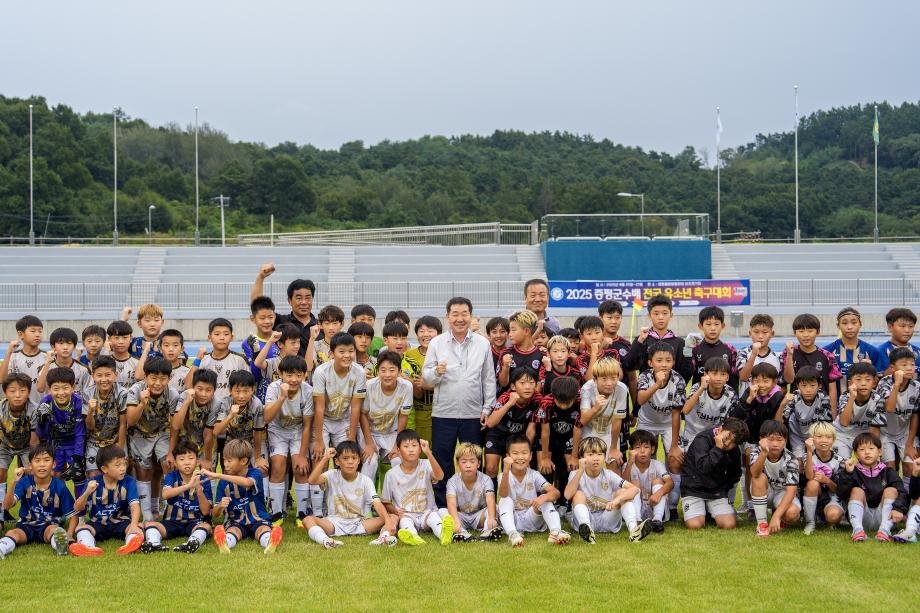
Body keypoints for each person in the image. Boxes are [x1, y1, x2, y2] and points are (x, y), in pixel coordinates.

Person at [422, 297, 496, 507]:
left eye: (464, 314)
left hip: (473, 414)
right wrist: (436, 372)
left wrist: (487, 408)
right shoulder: (437, 343)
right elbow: (426, 378)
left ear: (470, 316)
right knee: (442, 460)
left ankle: (475, 504)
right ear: (447, 317)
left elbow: (488, 379)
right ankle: (443, 506)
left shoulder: (482, 343)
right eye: (455, 314)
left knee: (472, 461)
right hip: (443, 413)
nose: (460, 318)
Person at [303, 442, 398, 548]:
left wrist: (388, 521)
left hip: (360, 523)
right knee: (307, 520)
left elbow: (377, 504)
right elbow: (312, 480)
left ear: (359, 461)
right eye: (345, 458)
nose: (350, 462)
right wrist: (325, 458)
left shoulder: (365, 480)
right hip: (334, 523)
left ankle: (383, 538)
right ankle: (326, 540)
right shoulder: (331, 475)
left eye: (354, 458)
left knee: (393, 517)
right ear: (337, 461)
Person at [565, 436, 649, 544]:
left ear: (604, 457)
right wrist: (580, 470)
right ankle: (587, 530)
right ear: (582, 457)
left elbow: (635, 489)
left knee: (622, 492)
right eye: (590, 454)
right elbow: (567, 495)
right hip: (587, 518)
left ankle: (634, 531)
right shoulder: (575, 474)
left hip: (607, 517)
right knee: (578, 494)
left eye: (600, 454)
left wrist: (617, 500)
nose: (596, 458)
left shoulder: (609, 474)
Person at [204, 439, 282, 554]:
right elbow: (215, 515)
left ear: (244, 461)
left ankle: (269, 542)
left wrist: (219, 475)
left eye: (229, 461)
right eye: (224, 460)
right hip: (236, 521)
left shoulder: (255, 473)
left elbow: (247, 483)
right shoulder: (223, 483)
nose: (225, 464)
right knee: (233, 530)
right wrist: (220, 506)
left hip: (258, 519)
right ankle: (225, 543)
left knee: (262, 529)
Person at [126, 356, 180, 521]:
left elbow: (175, 426)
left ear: (169, 378)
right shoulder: (135, 390)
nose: (158, 383)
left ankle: (164, 508)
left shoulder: (172, 393)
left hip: (161, 433)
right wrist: (142, 404)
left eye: (163, 378)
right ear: (145, 377)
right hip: (139, 434)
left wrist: (171, 453)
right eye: (153, 378)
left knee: (167, 465)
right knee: (144, 471)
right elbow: (130, 420)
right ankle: (147, 512)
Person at [636, 342, 687, 516]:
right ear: (651, 363)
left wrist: (673, 446)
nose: (664, 364)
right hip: (647, 422)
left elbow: (676, 414)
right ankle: (643, 502)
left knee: (675, 459)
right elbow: (641, 400)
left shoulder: (678, 380)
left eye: (668, 360)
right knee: (642, 459)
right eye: (659, 360)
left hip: (668, 424)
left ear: (673, 362)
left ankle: (671, 506)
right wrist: (657, 384)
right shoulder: (645, 376)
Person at [672, 357, 743, 480]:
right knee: (676, 461)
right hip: (691, 435)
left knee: (727, 463)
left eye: (723, 374)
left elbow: (731, 421)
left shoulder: (731, 394)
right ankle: (682, 495)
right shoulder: (697, 387)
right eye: (714, 373)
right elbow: (685, 410)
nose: (718, 377)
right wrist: (701, 388)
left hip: (713, 437)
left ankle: (726, 498)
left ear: (727, 377)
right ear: (706, 374)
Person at [0, 443, 74, 559]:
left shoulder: (60, 487)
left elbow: (72, 514)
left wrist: (69, 534)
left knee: (54, 531)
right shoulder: (24, 482)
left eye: (46, 460)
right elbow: (7, 505)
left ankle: (60, 546)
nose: (42, 465)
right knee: (13, 533)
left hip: (49, 525)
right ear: (30, 465)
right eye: (37, 461)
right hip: (27, 525)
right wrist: (14, 482)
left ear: (53, 464)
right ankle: (2, 548)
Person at [263, 355, 313, 523]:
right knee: (277, 466)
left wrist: (301, 455)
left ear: (304, 375)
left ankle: (302, 513)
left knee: (301, 468)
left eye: (299, 375)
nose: (294, 379)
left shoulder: (307, 391)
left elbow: (307, 426)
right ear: (280, 374)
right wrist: (282, 397)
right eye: (289, 375)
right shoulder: (273, 388)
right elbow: (267, 418)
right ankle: (277, 512)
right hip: (277, 431)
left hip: (298, 431)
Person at [69, 444, 144, 557]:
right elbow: (76, 508)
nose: (123, 468)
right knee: (81, 528)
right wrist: (87, 492)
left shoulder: (129, 481)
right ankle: (88, 548)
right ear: (104, 469)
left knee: (136, 527)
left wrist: (133, 525)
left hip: (121, 522)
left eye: (124, 463)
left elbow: (135, 506)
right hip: (98, 523)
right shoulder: (93, 482)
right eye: (118, 465)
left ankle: (131, 545)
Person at [140, 439, 212, 553]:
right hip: (172, 521)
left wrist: (198, 488)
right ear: (175, 462)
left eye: (191, 458)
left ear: (197, 461)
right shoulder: (171, 476)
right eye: (182, 459)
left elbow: (206, 511)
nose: (187, 462)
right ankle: (154, 544)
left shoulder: (204, 479)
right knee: (150, 524)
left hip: (194, 521)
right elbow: (165, 494)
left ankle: (192, 542)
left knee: (206, 526)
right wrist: (188, 486)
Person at [497, 434, 569, 547]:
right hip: (513, 519)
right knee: (505, 500)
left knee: (545, 498)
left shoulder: (534, 475)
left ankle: (555, 532)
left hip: (531, 518)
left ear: (530, 456)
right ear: (508, 456)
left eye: (524, 453)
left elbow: (556, 492)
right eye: (515, 453)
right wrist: (506, 471)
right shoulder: (503, 475)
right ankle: (513, 534)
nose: (520, 457)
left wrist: (543, 497)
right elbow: (503, 494)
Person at [380, 430, 451, 546]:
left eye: (414, 445)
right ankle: (413, 537)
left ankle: (444, 534)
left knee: (434, 518)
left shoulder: (426, 464)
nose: (411, 449)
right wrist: (396, 511)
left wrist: (428, 453)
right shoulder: (391, 475)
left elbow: (440, 476)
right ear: (398, 450)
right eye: (406, 446)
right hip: (407, 514)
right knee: (405, 522)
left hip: (427, 512)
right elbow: (386, 502)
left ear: (420, 448)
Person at [836, 432, 909, 542]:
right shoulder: (853, 471)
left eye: (871, 448)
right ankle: (857, 531)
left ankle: (884, 531)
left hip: (884, 517)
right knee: (857, 490)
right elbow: (841, 494)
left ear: (880, 452)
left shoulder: (888, 471)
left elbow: (902, 491)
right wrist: (848, 474)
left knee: (891, 490)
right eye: (862, 449)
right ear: (855, 454)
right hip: (862, 517)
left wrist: (898, 508)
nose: (867, 452)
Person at [679, 417, 749, 530]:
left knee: (729, 524)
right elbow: (704, 467)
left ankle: (710, 511)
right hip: (693, 490)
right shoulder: (702, 439)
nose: (727, 443)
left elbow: (735, 474)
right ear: (720, 429)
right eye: (727, 437)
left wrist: (723, 488)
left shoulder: (734, 451)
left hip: (716, 492)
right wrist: (718, 448)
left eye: (733, 443)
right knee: (695, 526)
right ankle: (702, 512)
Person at [739, 363, 785, 515]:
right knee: (749, 460)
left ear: (774, 382)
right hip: (751, 437)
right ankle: (750, 504)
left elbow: (779, 424)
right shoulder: (749, 393)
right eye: (757, 380)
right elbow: (738, 415)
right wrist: (750, 398)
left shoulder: (778, 396)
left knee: (772, 467)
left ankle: (775, 501)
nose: (761, 385)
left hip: (772, 438)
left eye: (766, 381)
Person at [359, 350, 412, 482]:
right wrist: (370, 443)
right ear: (378, 371)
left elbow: (403, 416)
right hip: (369, 432)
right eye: (383, 370)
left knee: (398, 461)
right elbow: (362, 414)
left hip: (391, 433)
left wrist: (397, 445)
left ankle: (396, 500)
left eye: (392, 370)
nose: (387, 375)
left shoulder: (406, 387)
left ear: (399, 371)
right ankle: (367, 501)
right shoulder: (369, 386)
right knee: (370, 462)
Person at [35, 368, 87, 497]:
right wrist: (41, 422)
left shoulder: (78, 403)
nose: (61, 393)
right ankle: (60, 508)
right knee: (55, 476)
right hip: (55, 444)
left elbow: (80, 433)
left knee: (78, 474)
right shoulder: (45, 402)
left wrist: (78, 458)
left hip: (74, 443)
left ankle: (80, 514)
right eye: (56, 388)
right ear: (49, 389)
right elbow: (42, 434)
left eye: (65, 388)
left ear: (73, 387)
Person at [484, 366, 540, 479]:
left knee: (514, 471)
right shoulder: (506, 397)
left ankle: (510, 496)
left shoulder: (537, 400)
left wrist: (526, 451)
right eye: (522, 383)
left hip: (518, 437)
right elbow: (490, 423)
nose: (528, 387)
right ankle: (490, 495)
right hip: (498, 434)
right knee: (491, 467)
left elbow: (531, 429)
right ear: (513, 386)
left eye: (531, 382)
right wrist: (509, 404)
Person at [251, 263, 317, 357]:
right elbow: (258, 306)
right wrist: (260, 278)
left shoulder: (321, 327)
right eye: (298, 298)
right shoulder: (281, 322)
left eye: (308, 298)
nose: (304, 302)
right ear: (289, 301)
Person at [749, 420, 801, 537]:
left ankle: (779, 518)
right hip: (765, 491)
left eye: (779, 439)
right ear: (761, 439)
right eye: (770, 439)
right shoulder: (756, 452)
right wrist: (764, 453)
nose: (775, 443)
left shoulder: (791, 459)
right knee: (759, 478)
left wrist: (777, 516)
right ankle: (762, 525)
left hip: (782, 492)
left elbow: (791, 490)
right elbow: (755, 473)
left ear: (786, 441)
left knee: (792, 514)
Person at [875, 347, 920, 479]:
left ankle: (909, 498)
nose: (910, 368)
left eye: (912, 364)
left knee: (911, 467)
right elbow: (889, 408)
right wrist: (897, 384)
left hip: (905, 432)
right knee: (889, 468)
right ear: (893, 367)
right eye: (904, 364)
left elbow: (915, 416)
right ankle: (894, 495)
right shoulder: (884, 383)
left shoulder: (917, 387)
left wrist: (910, 444)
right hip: (885, 433)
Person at [624, 294, 692, 381]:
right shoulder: (642, 339)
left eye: (665, 313)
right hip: (647, 391)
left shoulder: (680, 342)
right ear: (649, 315)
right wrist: (639, 342)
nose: (660, 317)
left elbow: (686, 373)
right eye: (656, 313)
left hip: (672, 392)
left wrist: (689, 349)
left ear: (671, 315)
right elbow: (629, 365)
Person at [781, 313, 841, 410]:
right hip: (796, 408)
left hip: (822, 409)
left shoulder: (828, 356)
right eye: (801, 331)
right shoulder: (788, 353)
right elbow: (789, 380)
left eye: (810, 331)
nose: (805, 335)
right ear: (794, 332)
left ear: (817, 332)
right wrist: (789, 355)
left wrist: (833, 415)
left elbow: (832, 389)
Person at [184, 318, 250, 403]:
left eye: (226, 334)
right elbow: (188, 385)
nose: (222, 338)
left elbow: (249, 387)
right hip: (208, 410)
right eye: (217, 334)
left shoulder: (240, 360)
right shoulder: (202, 360)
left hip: (232, 410)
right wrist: (198, 359)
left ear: (232, 337)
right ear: (209, 337)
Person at [445, 442, 501, 542]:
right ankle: (462, 533)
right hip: (461, 515)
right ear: (457, 464)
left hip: (479, 516)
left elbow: (490, 499)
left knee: (495, 508)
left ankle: (487, 531)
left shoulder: (486, 479)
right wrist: (456, 521)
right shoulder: (452, 481)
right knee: (443, 512)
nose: (468, 465)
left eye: (472, 461)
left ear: (478, 464)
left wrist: (492, 517)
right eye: (464, 461)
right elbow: (451, 503)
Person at [535, 376, 581, 496]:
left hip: (569, 437)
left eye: (567, 403)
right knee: (545, 467)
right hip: (550, 436)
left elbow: (578, 429)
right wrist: (545, 457)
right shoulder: (546, 403)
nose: (563, 406)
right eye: (559, 402)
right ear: (553, 396)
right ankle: (546, 498)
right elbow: (545, 432)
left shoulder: (581, 401)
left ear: (575, 397)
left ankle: (564, 501)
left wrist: (574, 456)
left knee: (570, 466)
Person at [579, 358, 628, 467]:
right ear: (595, 379)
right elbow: (583, 420)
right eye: (604, 379)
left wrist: (614, 448)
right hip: (589, 431)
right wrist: (595, 408)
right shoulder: (587, 388)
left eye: (613, 378)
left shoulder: (622, 389)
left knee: (614, 463)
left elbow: (617, 420)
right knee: (588, 466)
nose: (609, 383)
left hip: (608, 432)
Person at [84, 356, 128, 479]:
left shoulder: (122, 393)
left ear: (115, 375)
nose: (104, 379)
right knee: (93, 475)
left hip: (115, 440)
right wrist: (90, 411)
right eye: (99, 375)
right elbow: (90, 427)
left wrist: (120, 448)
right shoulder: (88, 393)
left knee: (118, 474)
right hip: (95, 441)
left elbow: (123, 424)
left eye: (108, 375)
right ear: (93, 376)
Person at [776, 366, 832, 462]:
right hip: (797, 436)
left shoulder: (823, 398)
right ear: (798, 385)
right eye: (804, 385)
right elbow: (778, 422)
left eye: (812, 385)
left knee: (816, 462)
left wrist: (816, 442)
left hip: (816, 435)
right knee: (799, 464)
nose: (808, 390)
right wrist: (782, 405)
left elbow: (826, 425)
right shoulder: (794, 398)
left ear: (819, 385)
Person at [822, 307, 883, 395]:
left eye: (854, 323)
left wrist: (871, 371)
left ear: (860, 324)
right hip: (836, 403)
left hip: (864, 405)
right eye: (844, 323)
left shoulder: (872, 351)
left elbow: (878, 383)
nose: (849, 327)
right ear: (838, 325)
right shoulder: (827, 351)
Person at [0, 373, 38, 513]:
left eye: (22, 391)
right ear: (5, 392)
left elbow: (34, 439)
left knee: (31, 475)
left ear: (28, 392)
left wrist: (32, 462)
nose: (17, 395)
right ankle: (2, 512)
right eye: (12, 391)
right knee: (0, 471)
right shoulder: (1, 409)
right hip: (5, 444)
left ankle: (28, 510)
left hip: (26, 446)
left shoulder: (34, 409)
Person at [833, 362, 885, 459]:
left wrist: (874, 451)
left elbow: (875, 429)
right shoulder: (845, 396)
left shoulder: (878, 400)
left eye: (868, 379)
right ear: (850, 383)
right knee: (842, 464)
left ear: (874, 383)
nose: (863, 383)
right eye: (858, 379)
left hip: (864, 436)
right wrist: (852, 397)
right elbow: (844, 422)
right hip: (842, 435)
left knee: (870, 462)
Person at [623, 429, 672, 532]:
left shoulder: (657, 465)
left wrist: (658, 493)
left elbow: (670, 483)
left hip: (654, 505)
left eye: (646, 447)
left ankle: (657, 520)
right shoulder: (627, 466)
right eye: (637, 447)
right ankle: (637, 521)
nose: (642, 451)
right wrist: (630, 462)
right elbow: (621, 485)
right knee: (633, 484)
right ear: (630, 450)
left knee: (658, 481)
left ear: (653, 450)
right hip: (635, 508)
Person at [802, 422, 846, 535]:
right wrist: (808, 450)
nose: (824, 440)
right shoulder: (808, 455)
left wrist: (827, 480)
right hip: (813, 493)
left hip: (832, 495)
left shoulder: (839, 460)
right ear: (812, 439)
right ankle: (810, 522)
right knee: (813, 483)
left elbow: (840, 490)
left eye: (828, 437)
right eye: (819, 437)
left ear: (833, 440)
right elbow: (808, 476)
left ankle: (828, 517)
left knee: (833, 516)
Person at [403, 315, 441, 443]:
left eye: (430, 330)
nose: (426, 334)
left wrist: (429, 385)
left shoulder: (445, 354)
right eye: (421, 331)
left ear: (439, 334)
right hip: (416, 414)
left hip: (441, 414)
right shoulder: (408, 356)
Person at [171, 369, 218, 471]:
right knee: (184, 473)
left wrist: (207, 459)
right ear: (193, 387)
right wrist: (187, 402)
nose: (203, 394)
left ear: (214, 390)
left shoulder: (216, 403)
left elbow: (208, 433)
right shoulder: (184, 396)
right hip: (185, 442)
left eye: (208, 390)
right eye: (199, 389)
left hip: (206, 444)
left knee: (207, 473)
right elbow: (175, 426)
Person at [0, 315, 46, 405]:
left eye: (40, 331)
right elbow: (2, 379)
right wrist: (9, 352)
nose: (37, 334)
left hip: (40, 408)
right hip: (16, 409)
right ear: (21, 334)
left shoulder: (47, 358)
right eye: (33, 331)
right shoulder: (13, 357)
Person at [36, 327, 92, 401]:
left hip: (76, 410)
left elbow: (88, 396)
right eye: (61, 343)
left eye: (69, 343)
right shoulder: (45, 367)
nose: (65, 347)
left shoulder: (84, 369)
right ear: (53, 346)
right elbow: (40, 389)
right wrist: (47, 363)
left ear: (74, 347)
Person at [689, 306, 738, 388]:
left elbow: (734, 378)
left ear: (723, 326)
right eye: (708, 324)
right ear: (700, 326)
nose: (713, 328)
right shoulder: (694, 350)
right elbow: (687, 374)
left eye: (716, 324)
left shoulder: (730, 350)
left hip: (724, 398)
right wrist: (687, 350)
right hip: (700, 397)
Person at [242, 296, 279, 403]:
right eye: (262, 318)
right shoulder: (249, 342)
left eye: (270, 317)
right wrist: (255, 353)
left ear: (275, 316)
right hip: (261, 396)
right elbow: (255, 376)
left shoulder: (281, 337)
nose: (267, 321)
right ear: (253, 319)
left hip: (283, 393)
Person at [735, 313, 781, 397]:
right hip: (748, 402)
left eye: (765, 332)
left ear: (772, 334)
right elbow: (743, 377)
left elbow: (780, 385)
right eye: (756, 332)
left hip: (769, 405)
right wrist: (753, 355)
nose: (760, 336)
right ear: (750, 333)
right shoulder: (743, 353)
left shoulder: (777, 357)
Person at [497, 310, 543, 389]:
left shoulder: (542, 355)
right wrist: (505, 367)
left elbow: (540, 385)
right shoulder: (506, 353)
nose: (510, 334)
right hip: (510, 400)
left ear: (526, 331)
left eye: (513, 330)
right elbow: (503, 384)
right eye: (510, 330)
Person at [575, 316, 621, 383]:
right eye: (589, 334)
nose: (594, 337)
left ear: (603, 333)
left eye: (597, 332)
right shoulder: (580, 359)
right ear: (582, 336)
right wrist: (594, 354)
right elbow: (590, 380)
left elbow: (620, 376)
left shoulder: (613, 353)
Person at [876, 307, 920, 373]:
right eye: (902, 326)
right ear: (890, 327)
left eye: (911, 326)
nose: (907, 330)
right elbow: (878, 379)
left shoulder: (918, 351)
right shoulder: (880, 352)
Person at [306, 305, 345, 373]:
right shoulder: (315, 345)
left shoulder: (347, 344)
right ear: (320, 325)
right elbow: (308, 368)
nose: (331, 327)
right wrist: (312, 339)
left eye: (335, 323)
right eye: (327, 323)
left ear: (341, 324)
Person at [106, 321, 139, 388]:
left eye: (125, 337)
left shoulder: (138, 363)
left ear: (131, 338)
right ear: (109, 339)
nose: (121, 342)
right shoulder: (103, 361)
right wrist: (106, 352)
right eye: (116, 338)